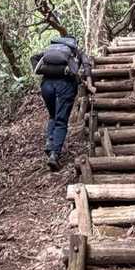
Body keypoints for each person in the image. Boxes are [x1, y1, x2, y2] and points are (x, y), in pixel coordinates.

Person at [30, 31, 95, 170]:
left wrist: (43, 70)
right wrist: (90, 85)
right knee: (61, 120)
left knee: (53, 115)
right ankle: (54, 155)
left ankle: (50, 142)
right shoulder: (76, 51)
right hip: (65, 85)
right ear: (74, 42)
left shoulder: (52, 49)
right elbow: (87, 66)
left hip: (46, 85)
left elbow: (34, 58)